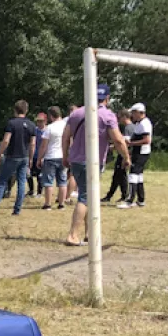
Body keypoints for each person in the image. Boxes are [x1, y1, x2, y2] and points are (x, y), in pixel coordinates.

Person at [62, 83, 130, 246]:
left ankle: (89, 234)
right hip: (92, 162)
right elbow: (118, 140)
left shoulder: (77, 113)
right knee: (85, 197)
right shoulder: (107, 115)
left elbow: (65, 137)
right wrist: (126, 157)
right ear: (107, 98)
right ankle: (73, 235)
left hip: (76, 160)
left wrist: (65, 155)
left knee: (89, 196)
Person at [0, 100, 36, 215]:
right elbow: (33, 144)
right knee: (22, 182)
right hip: (24, 156)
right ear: (26, 110)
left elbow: (6, 140)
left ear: (15, 110)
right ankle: (17, 209)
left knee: (2, 181)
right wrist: (30, 158)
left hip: (12, 156)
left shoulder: (11, 123)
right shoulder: (31, 125)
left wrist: (0, 153)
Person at [118, 103, 152, 208]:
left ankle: (129, 200)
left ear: (138, 112)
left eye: (133, 113)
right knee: (139, 176)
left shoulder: (144, 124)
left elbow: (147, 140)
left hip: (141, 152)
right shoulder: (139, 123)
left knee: (133, 175)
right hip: (140, 152)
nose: (132, 115)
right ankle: (141, 200)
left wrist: (131, 143)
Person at [38, 107, 68, 210]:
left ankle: (48, 204)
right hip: (62, 155)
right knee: (62, 181)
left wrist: (39, 158)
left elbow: (44, 145)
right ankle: (61, 204)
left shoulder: (49, 128)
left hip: (50, 156)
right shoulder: (66, 126)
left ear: (51, 116)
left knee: (48, 181)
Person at [103, 110, 134, 203]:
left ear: (125, 117)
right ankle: (110, 195)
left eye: (119, 117)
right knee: (117, 175)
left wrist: (114, 148)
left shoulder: (128, 128)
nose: (118, 119)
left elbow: (125, 143)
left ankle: (124, 195)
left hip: (124, 154)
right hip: (126, 154)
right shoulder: (132, 127)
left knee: (121, 175)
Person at [30, 112, 47, 196]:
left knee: (39, 175)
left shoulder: (47, 131)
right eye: (38, 121)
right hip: (33, 155)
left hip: (42, 156)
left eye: (41, 121)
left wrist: (43, 157)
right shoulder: (34, 130)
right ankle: (31, 190)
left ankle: (39, 192)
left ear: (45, 121)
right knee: (28, 174)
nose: (39, 123)